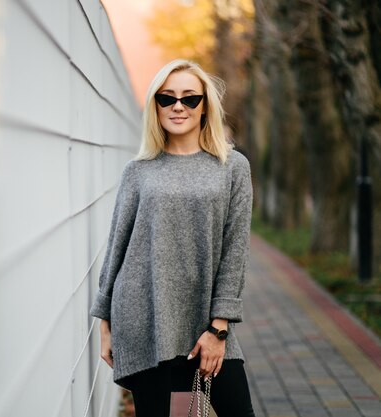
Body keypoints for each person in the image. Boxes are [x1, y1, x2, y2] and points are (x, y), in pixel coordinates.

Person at [89, 59, 256, 417]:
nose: (178, 106)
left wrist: (219, 328)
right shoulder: (138, 171)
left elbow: (234, 250)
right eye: (167, 99)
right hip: (144, 318)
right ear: (156, 106)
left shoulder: (233, 167)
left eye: (189, 98)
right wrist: (105, 325)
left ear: (205, 106)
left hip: (205, 319)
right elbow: (117, 247)